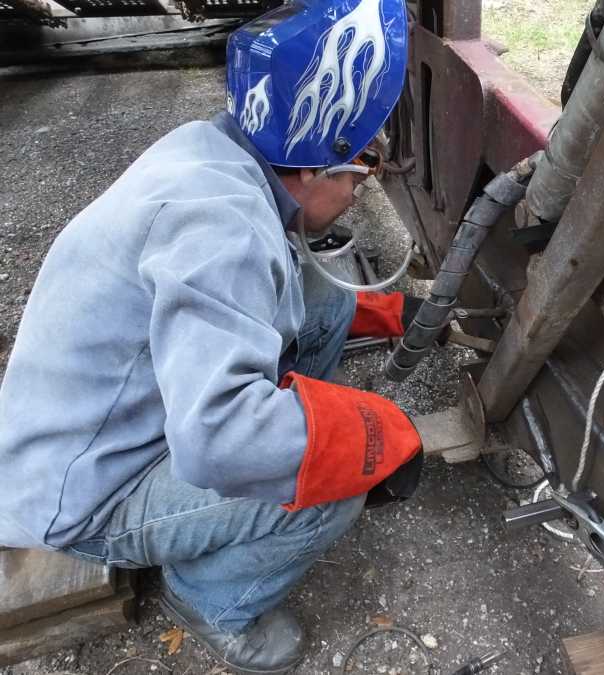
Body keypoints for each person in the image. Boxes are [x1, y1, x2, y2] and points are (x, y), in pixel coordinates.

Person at [0, 1, 423, 672]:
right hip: (81, 489)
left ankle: (283, 415)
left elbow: (277, 283)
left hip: (84, 414)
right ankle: (210, 600)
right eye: (362, 166)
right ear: (314, 168)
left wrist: (366, 312)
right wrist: (362, 433)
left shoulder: (214, 150)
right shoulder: (223, 235)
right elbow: (217, 438)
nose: (360, 188)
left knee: (325, 300)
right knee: (330, 486)